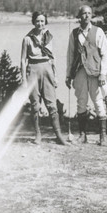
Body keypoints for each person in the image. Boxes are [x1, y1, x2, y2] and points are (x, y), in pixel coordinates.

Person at [21, 11, 69, 146]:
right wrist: (24, 79)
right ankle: (37, 134)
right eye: (37, 21)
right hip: (33, 71)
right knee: (35, 105)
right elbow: (23, 60)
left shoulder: (49, 37)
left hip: (47, 71)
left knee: (52, 105)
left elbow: (53, 58)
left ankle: (59, 135)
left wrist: (56, 77)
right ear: (33, 22)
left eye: (42, 21)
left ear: (45, 22)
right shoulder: (27, 39)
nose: (40, 24)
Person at [66, 5, 107, 146]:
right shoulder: (74, 34)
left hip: (95, 72)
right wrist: (68, 76)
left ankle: (103, 136)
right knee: (81, 101)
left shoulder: (98, 32)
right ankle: (82, 135)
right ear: (79, 16)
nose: (86, 16)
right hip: (80, 72)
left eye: (89, 13)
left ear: (91, 16)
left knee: (98, 101)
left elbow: (106, 55)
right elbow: (70, 56)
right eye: (84, 13)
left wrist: (103, 74)